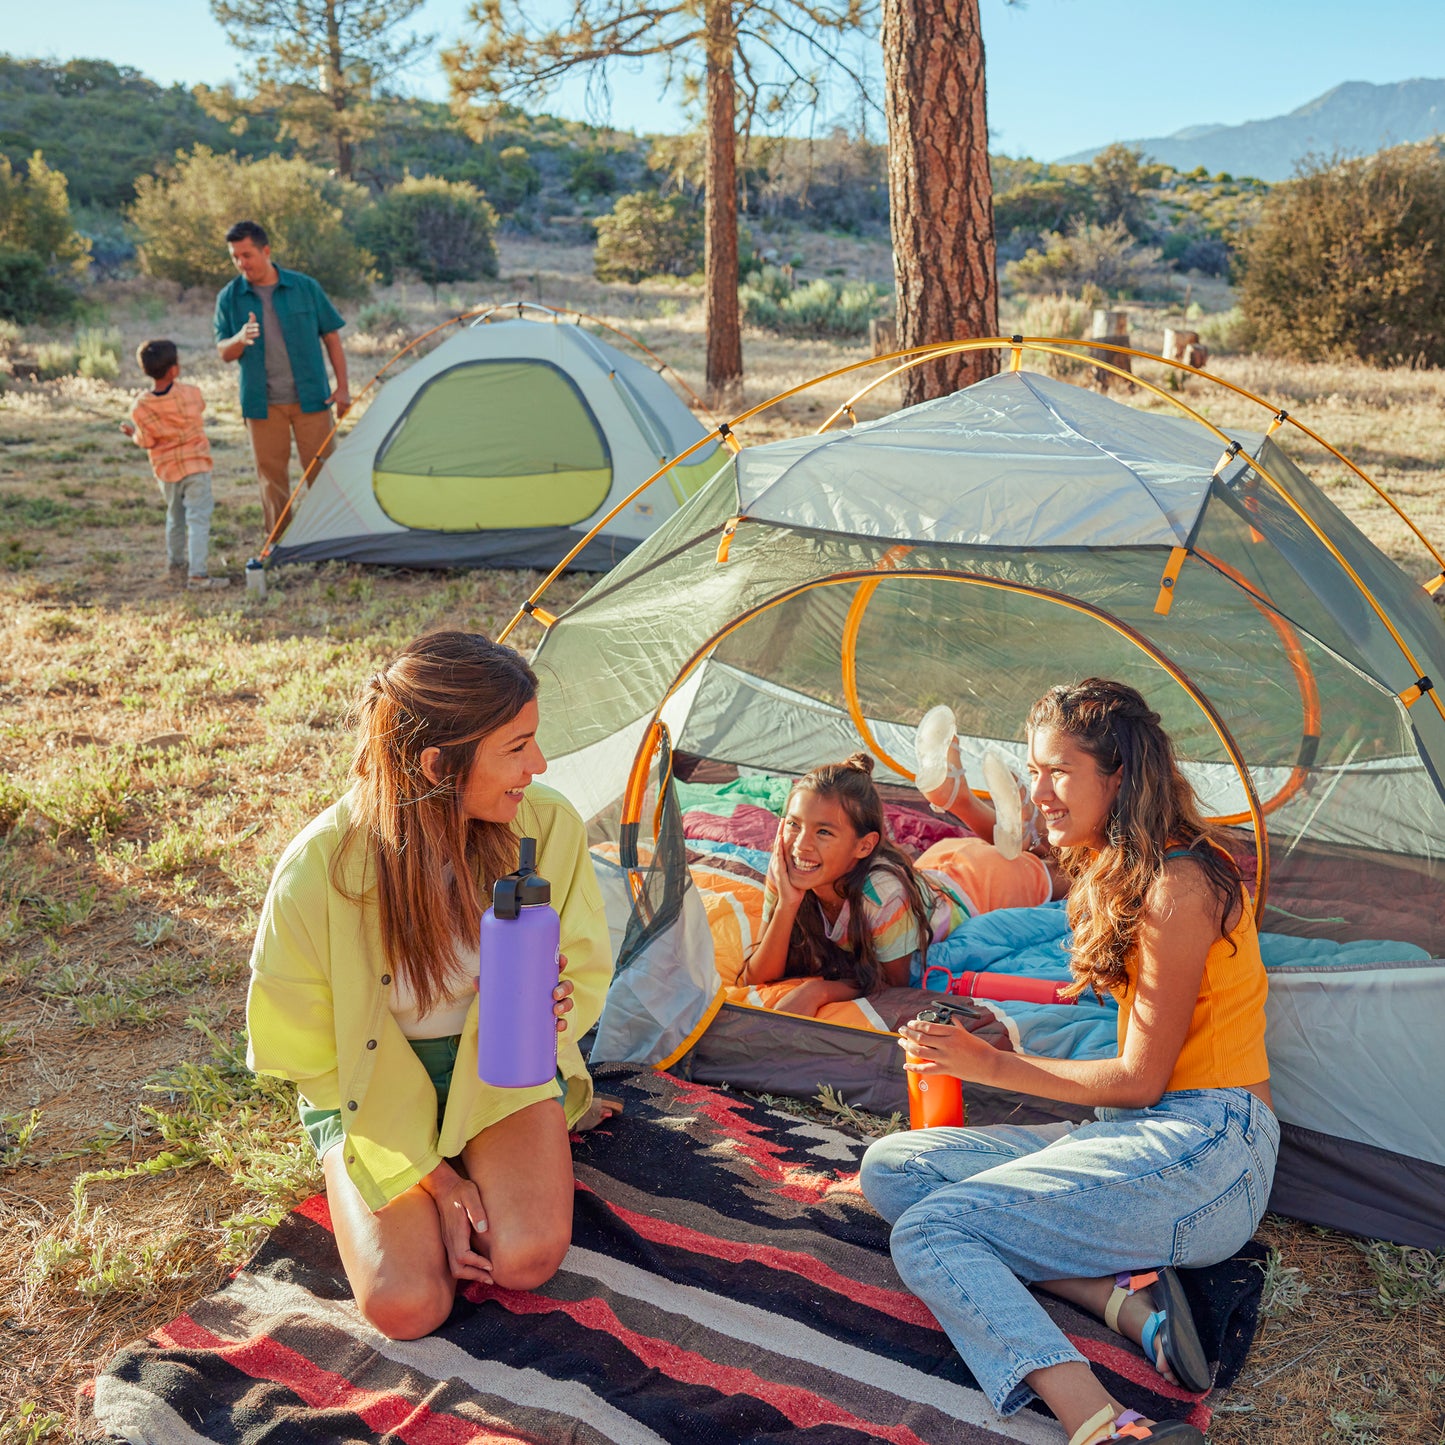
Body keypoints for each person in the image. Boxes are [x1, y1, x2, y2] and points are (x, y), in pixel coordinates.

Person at [859, 679, 1278, 1445]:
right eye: (1034, 768)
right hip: (1143, 1134)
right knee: (892, 1167)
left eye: (1056, 771)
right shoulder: (1119, 865)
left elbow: (1139, 1077)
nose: (1037, 790)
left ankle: (1105, 1426)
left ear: (1116, 775)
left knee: (932, 1232)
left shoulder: (1178, 884)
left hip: (1210, 1152)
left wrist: (986, 1063)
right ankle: (1123, 1296)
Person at [246, 631, 614, 1341]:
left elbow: (584, 965)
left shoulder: (547, 826)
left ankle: (476, 1149)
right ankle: (395, 1165)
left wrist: (554, 1013)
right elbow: (308, 1056)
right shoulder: (317, 869)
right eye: (516, 747)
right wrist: (433, 1179)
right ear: (436, 763)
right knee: (405, 1304)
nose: (537, 766)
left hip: (500, 1070)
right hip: (370, 1090)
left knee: (526, 1256)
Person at [743, 753, 1060, 1019]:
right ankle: (1017, 831)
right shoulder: (790, 866)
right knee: (1027, 854)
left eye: (823, 832)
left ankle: (1005, 821)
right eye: (794, 824)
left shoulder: (881, 896)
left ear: (864, 846)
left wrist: (820, 990)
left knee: (1075, 873)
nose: (801, 844)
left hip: (977, 884)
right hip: (931, 870)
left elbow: (896, 982)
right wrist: (787, 903)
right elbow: (757, 976)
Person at [214, 219, 351, 539]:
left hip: (312, 399)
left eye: (246, 255)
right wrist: (239, 338)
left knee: (324, 472)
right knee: (271, 479)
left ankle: (333, 537)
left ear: (266, 251)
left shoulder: (305, 287)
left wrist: (342, 387)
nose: (241, 263)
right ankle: (280, 544)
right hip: (262, 405)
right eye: (235, 257)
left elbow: (332, 337)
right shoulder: (230, 297)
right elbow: (223, 350)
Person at [119, 339, 229, 590]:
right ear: (174, 369)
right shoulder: (191, 393)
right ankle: (198, 574)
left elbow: (146, 441)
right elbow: (199, 408)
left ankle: (176, 565)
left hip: (167, 471)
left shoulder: (140, 407)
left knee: (175, 517)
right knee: (198, 519)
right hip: (197, 466)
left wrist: (133, 435)